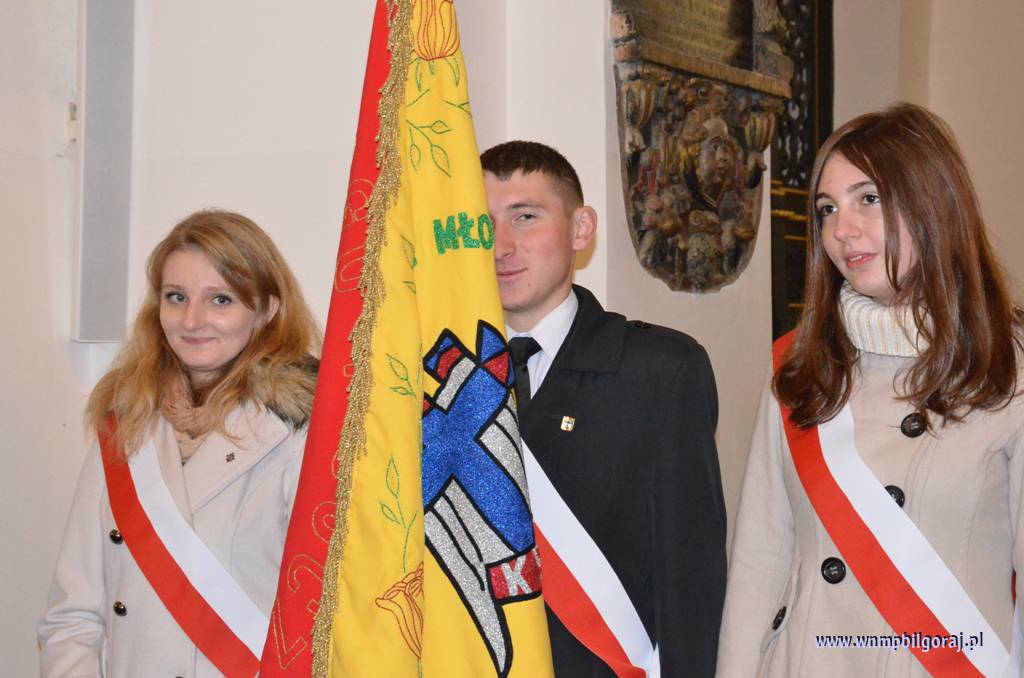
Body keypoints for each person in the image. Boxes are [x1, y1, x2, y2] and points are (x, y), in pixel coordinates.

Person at [717, 103, 1024, 677]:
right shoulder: (798, 367)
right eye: (827, 208)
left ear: (935, 202)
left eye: (869, 199)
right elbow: (759, 563)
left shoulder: (1008, 368)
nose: (842, 230)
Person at [38, 210, 321, 677]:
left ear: (268, 310)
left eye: (220, 300)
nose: (192, 320)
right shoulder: (126, 423)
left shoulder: (302, 433)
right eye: (177, 297)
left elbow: (325, 618)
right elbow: (73, 617)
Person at [481, 140, 727, 676]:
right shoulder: (438, 381)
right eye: (483, 224)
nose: (500, 246)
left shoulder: (658, 372)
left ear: (581, 228)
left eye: (525, 217)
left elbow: (690, 574)